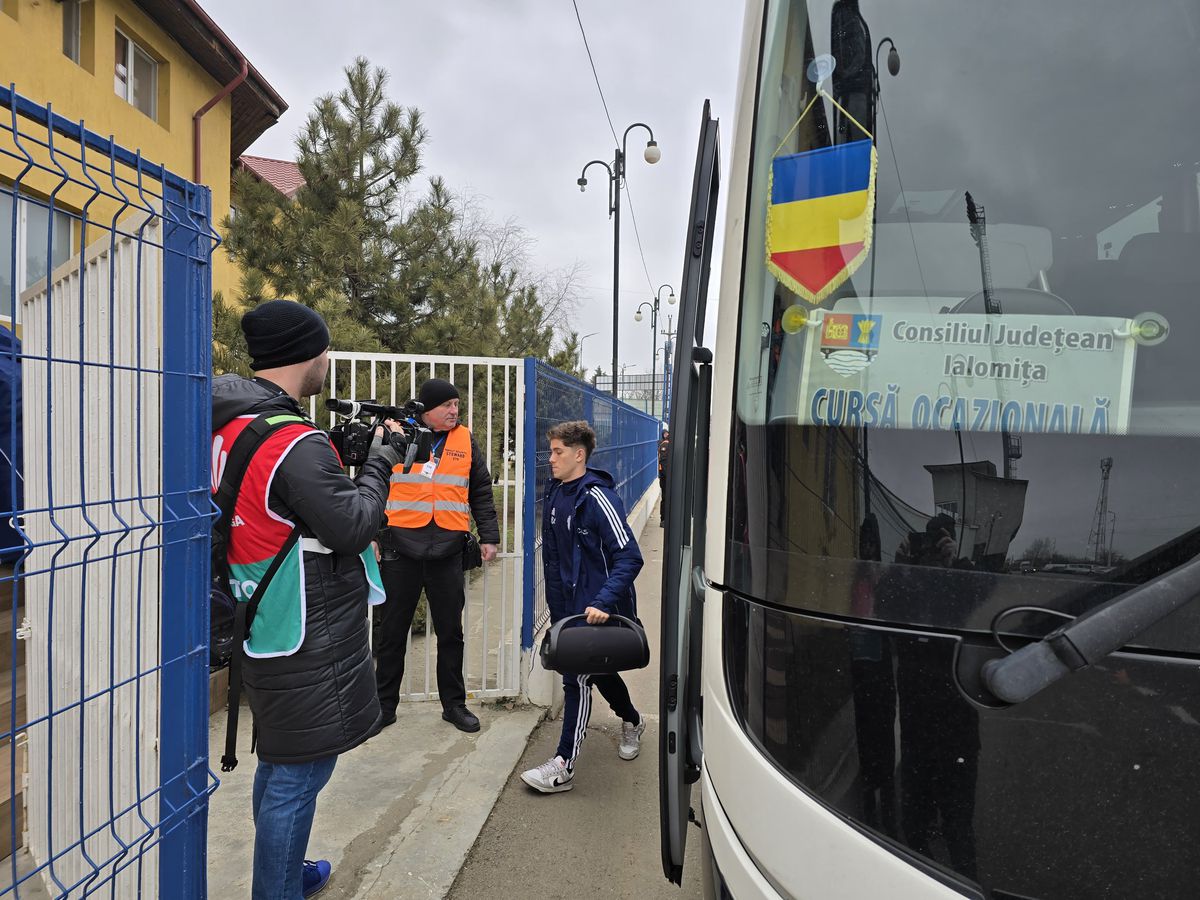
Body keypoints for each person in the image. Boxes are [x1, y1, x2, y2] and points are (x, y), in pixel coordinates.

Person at [212, 299, 402, 900]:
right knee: (300, 774)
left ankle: (287, 874)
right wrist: (379, 465)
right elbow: (352, 527)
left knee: (282, 759)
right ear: (307, 354)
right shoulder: (292, 440)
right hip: (304, 624)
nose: (327, 360)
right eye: (325, 350)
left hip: (258, 613)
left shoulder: (230, 424)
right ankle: (278, 890)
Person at [520, 420, 645, 793]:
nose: (551, 459)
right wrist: (559, 613)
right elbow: (554, 559)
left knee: (576, 679)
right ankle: (633, 720)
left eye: (557, 452)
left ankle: (563, 765)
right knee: (599, 673)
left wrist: (603, 602)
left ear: (579, 454)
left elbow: (629, 557)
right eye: (551, 451)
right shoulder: (557, 493)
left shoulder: (597, 498)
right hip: (570, 609)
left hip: (598, 608)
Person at [372, 378, 500, 734]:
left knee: (450, 632)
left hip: (447, 547)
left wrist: (489, 536)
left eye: (456, 404)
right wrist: (373, 534)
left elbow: (480, 488)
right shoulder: (397, 435)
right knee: (392, 632)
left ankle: (454, 705)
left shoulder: (465, 439)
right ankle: (384, 706)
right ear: (427, 409)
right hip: (401, 546)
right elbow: (374, 484)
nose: (454, 411)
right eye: (447, 405)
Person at [657, 428, 670, 526]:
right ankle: (663, 519)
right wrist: (668, 476)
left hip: (665, 477)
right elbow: (663, 462)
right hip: (665, 478)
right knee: (665, 498)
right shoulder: (665, 445)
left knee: (666, 498)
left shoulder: (666, 444)